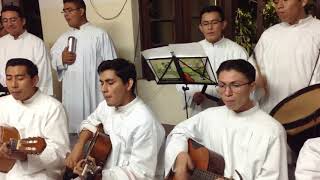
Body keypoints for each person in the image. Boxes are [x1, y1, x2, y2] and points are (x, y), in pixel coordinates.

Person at [165, 60, 288, 180]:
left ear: (252, 87)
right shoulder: (211, 115)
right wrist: (179, 156)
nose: (227, 93)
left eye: (236, 85)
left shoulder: (272, 130)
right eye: (222, 85)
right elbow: (179, 131)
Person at [65, 58, 165, 179]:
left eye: (110, 83)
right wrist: (79, 145)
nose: (103, 89)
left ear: (129, 84)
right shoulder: (106, 107)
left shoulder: (145, 122)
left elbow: (140, 174)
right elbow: (89, 122)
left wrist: (98, 175)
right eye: (102, 83)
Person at [51, 0, 117, 133]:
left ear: (81, 11)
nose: (66, 14)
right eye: (64, 11)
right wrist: (61, 59)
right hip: (71, 92)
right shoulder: (63, 37)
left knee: (96, 130)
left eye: (70, 10)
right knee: (74, 131)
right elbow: (53, 58)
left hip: (92, 89)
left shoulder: (99, 34)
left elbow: (113, 64)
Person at [0, 58, 69, 180]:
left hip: (39, 172)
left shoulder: (53, 107)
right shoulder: (2, 103)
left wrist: (25, 157)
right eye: (9, 78)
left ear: (34, 80)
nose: (13, 85)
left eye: (20, 78)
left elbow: (60, 153)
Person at [176, 5, 248, 116]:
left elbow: (245, 82)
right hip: (199, 110)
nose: (210, 28)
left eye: (214, 23)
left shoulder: (237, 51)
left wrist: (229, 99)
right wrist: (192, 95)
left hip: (228, 110)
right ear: (200, 27)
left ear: (223, 24)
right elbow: (181, 81)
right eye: (205, 24)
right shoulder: (191, 50)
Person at [251, 0, 320, 113]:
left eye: (285, 0)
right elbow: (253, 69)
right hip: (268, 116)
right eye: (276, 2)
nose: (279, 6)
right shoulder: (269, 35)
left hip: (309, 118)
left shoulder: (317, 31)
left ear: (303, 1)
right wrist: (255, 78)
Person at [0, 5, 53, 95]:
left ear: (23, 21)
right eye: (5, 21)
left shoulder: (36, 43)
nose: (9, 24)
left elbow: (43, 75)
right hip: (6, 95)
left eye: (13, 20)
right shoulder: (1, 42)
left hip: (30, 95)